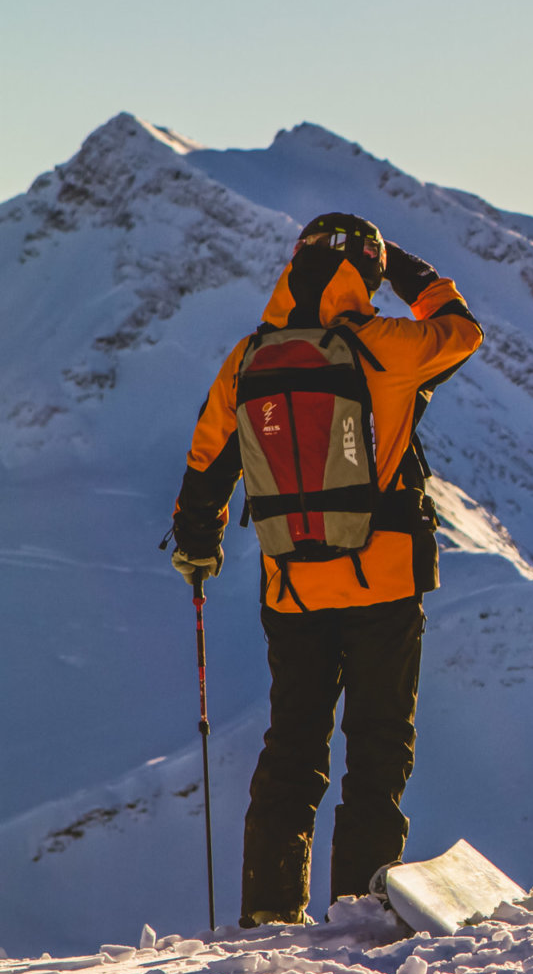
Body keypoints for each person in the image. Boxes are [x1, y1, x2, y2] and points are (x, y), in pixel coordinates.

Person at [169, 213, 483, 926]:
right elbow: (463, 332)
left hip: (292, 589)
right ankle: (360, 909)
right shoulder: (383, 346)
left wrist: (199, 544)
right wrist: (411, 273)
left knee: (293, 746)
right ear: (367, 273)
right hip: (384, 583)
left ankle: (269, 909)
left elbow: (207, 462)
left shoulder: (249, 357)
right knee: (378, 749)